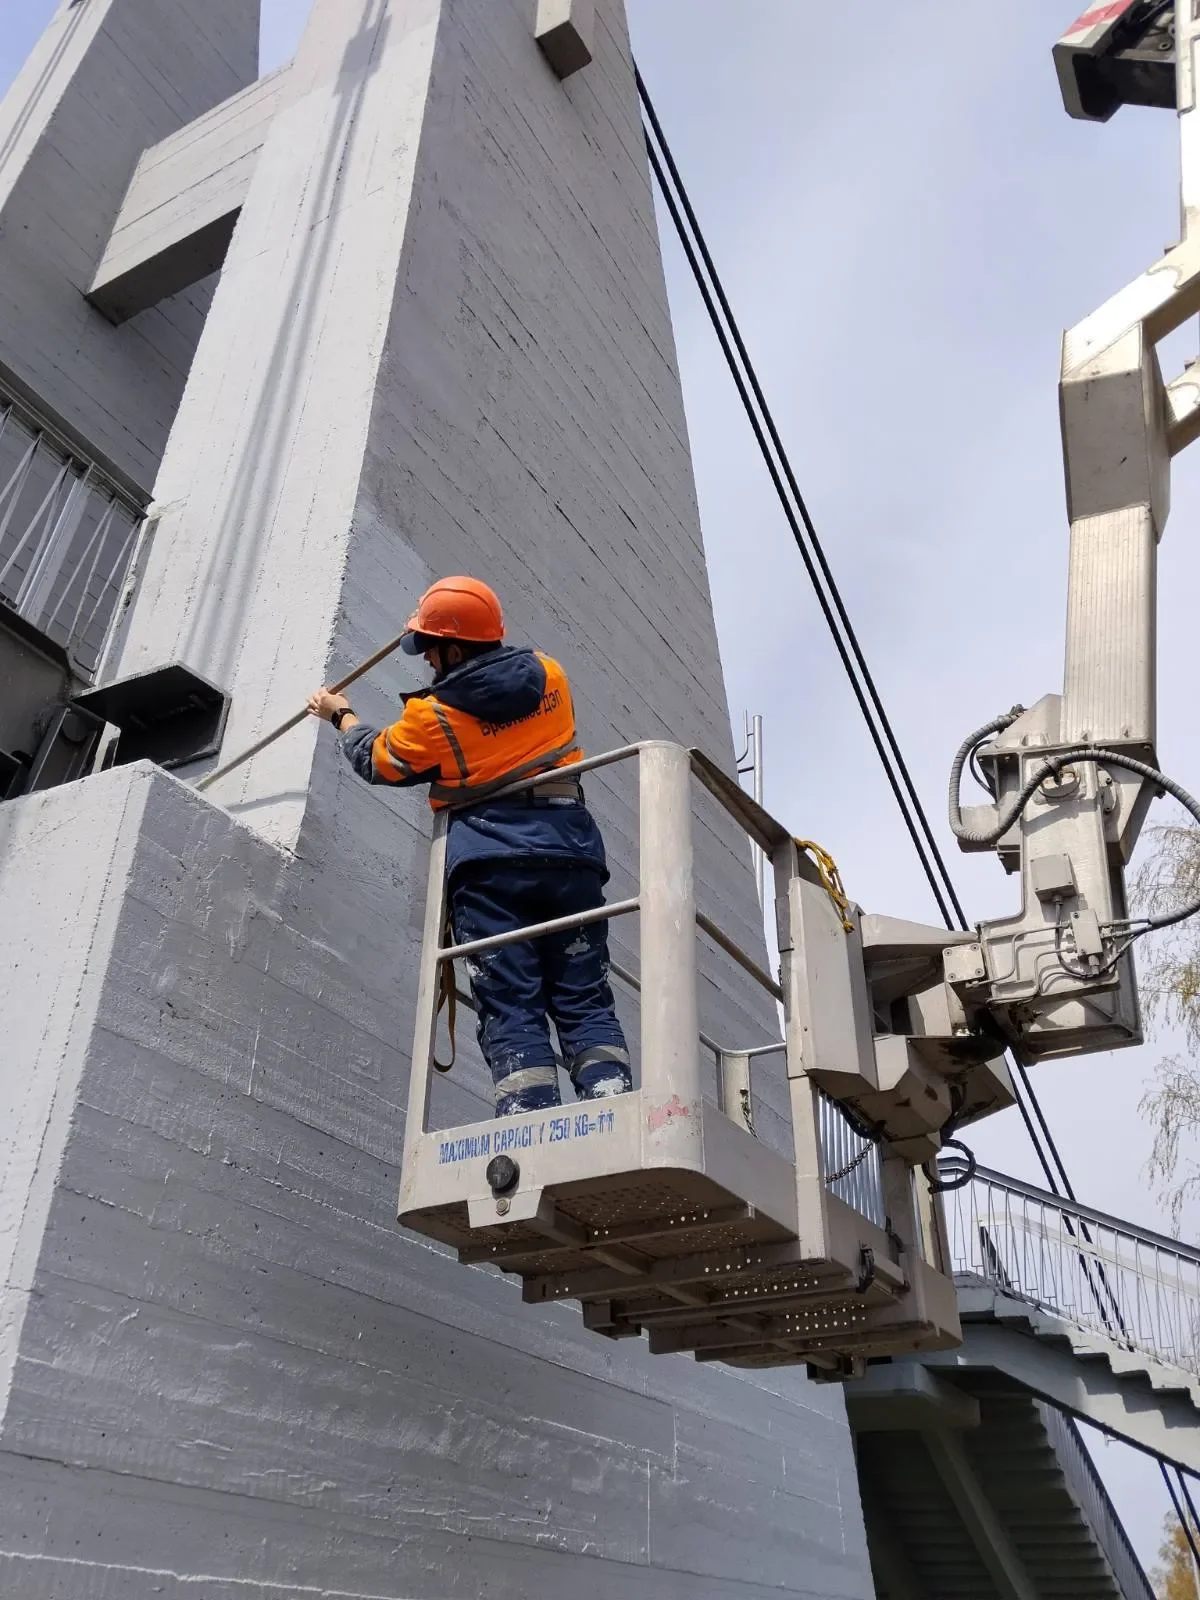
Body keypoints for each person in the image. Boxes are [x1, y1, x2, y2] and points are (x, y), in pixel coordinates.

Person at [307, 576, 631, 1118]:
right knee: (584, 996)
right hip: (570, 854)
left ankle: (531, 1123)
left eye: (432, 652)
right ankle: (612, 1110)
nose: (430, 664)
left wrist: (340, 714)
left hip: (492, 869)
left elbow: (378, 761)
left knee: (512, 1004)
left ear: (453, 648)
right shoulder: (552, 675)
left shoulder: (432, 718)